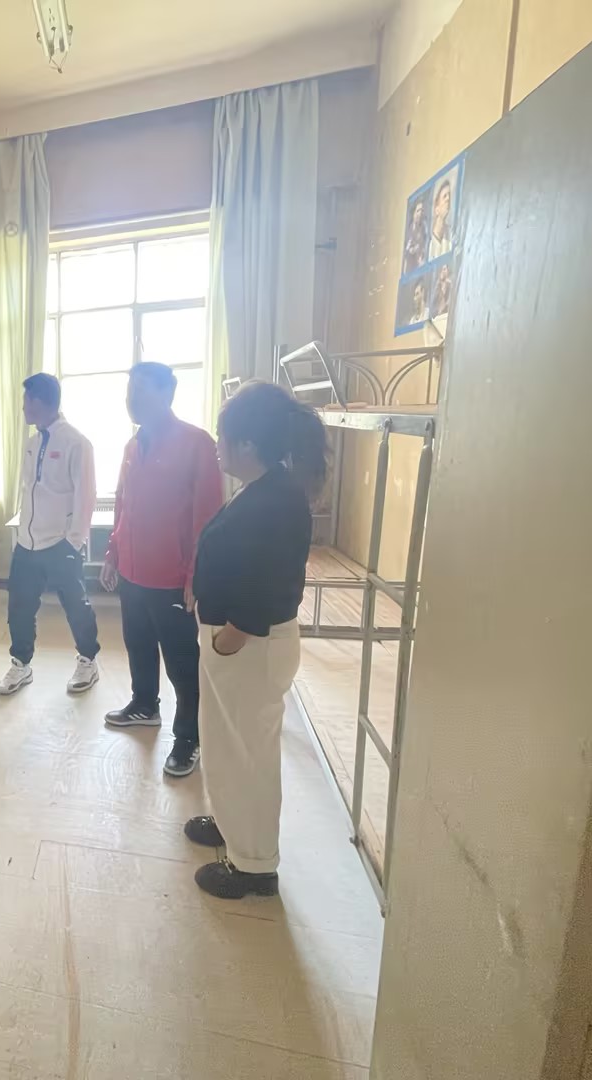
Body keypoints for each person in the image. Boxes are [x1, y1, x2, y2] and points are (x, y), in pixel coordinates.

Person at [184, 380, 326, 900]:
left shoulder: (279, 500)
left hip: (248, 645)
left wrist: (231, 636)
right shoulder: (265, 488)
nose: (217, 447)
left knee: (249, 754)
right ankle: (232, 824)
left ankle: (253, 866)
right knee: (229, 746)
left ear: (247, 443)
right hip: (238, 644)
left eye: (223, 437)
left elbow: (273, 582)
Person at [101, 362, 223, 778]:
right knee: (137, 644)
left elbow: (207, 518)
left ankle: (189, 736)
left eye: (141, 391)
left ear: (167, 393)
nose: (132, 400)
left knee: (182, 662)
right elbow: (122, 506)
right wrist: (113, 552)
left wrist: (195, 575)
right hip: (132, 573)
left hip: (172, 577)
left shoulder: (196, 444)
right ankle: (144, 705)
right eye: (129, 392)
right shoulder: (132, 446)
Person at [0, 373, 100, 697]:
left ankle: (88, 660)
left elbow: (86, 495)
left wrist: (74, 541)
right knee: (19, 607)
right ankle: (21, 664)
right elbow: (31, 490)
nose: (23, 407)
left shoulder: (76, 442)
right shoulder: (32, 444)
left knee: (76, 605)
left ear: (39, 401)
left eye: (26, 400)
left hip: (60, 543)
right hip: (26, 543)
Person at [428, 177, 454, 259]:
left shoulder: (451, 236)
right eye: (444, 196)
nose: (448, 199)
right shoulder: (429, 245)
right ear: (437, 209)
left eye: (449, 195)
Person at [403, 195, 428, 273]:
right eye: (418, 210)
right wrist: (413, 249)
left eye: (422, 210)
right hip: (410, 268)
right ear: (413, 213)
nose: (420, 213)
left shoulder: (424, 228)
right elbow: (406, 252)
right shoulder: (410, 231)